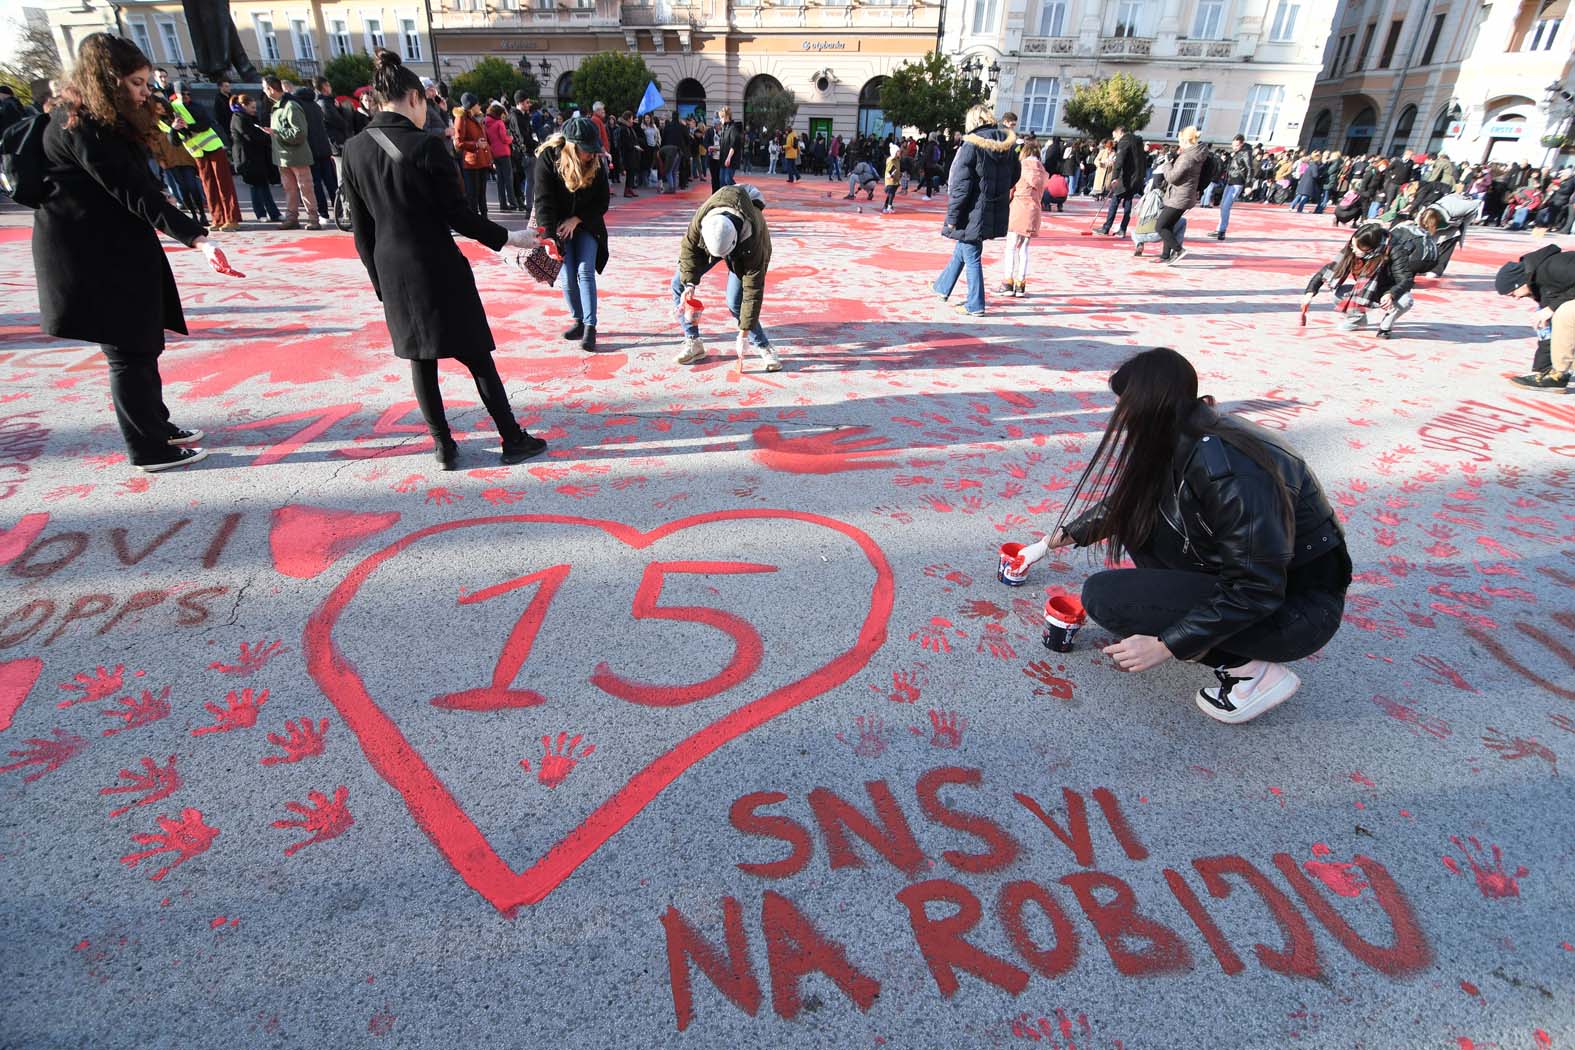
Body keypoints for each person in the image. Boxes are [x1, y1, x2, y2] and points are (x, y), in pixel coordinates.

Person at [1012, 348, 1349, 725]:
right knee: (1141, 525)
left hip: (1298, 611)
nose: (1119, 415)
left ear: (1147, 404)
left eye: (1123, 404)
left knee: (1105, 597)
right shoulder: (1189, 430)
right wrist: (1052, 541)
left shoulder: (1230, 473)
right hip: (1272, 585)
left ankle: (1251, 674)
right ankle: (1211, 634)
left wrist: (1166, 644)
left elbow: (1257, 588)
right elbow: (1132, 501)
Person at [34, 32, 238, 471]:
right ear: (108, 80)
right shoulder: (81, 125)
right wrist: (198, 239)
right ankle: (148, 447)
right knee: (128, 351)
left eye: (146, 82)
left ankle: (156, 425)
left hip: (114, 249)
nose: (146, 91)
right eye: (137, 83)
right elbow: (133, 192)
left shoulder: (98, 119)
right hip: (93, 257)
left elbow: (137, 186)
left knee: (142, 343)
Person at [341, 49, 546, 470]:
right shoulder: (426, 146)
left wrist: (380, 284)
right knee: (476, 354)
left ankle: (443, 447)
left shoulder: (354, 149)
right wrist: (511, 238)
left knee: (421, 360)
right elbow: (458, 216)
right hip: (436, 264)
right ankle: (512, 438)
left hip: (392, 270)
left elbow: (362, 233)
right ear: (415, 98)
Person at [672, 184, 782, 373]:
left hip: (743, 250)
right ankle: (693, 342)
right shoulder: (703, 219)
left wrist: (743, 334)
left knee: (736, 302)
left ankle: (764, 346)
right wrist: (689, 284)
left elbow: (753, 292)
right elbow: (688, 250)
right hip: (715, 240)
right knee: (679, 283)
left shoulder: (754, 238)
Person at [933, 104, 1019, 317]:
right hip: (992, 204)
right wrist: (997, 190)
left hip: (972, 208)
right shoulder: (1006, 144)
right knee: (963, 246)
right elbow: (1015, 174)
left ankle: (975, 303)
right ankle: (942, 287)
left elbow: (961, 186)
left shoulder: (971, 145)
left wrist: (952, 217)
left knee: (971, 252)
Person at [534, 115, 611, 352]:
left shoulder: (596, 164)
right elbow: (543, 201)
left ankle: (590, 327)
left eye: (594, 149)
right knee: (566, 275)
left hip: (588, 224)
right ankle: (578, 320)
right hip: (558, 226)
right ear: (572, 146)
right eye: (587, 149)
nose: (592, 154)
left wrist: (577, 219)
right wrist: (549, 238)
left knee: (585, 270)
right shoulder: (549, 158)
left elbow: (602, 202)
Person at [1300, 222, 1435, 339]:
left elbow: (1406, 279)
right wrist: (1309, 293)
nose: (1353, 249)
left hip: (1386, 290)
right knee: (1338, 294)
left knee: (1405, 301)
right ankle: (1357, 320)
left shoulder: (1394, 250)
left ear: (1370, 248)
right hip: (1366, 290)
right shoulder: (1352, 248)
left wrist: (1391, 294)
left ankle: (1385, 327)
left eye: (1356, 247)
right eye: (1352, 245)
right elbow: (1328, 270)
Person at [163, 81, 241, 231]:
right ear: (176, 94)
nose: (186, 96)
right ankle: (218, 219)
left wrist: (188, 126)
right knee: (208, 186)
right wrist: (174, 128)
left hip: (213, 147)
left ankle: (232, 219)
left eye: (188, 93)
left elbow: (206, 124)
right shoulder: (172, 111)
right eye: (183, 94)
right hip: (198, 153)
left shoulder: (196, 106)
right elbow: (174, 142)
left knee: (223, 183)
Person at [1494, 247, 1575, 391]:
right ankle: (1554, 375)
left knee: (1565, 313)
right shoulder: (1540, 287)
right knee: (1555, 316)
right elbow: (1547, 334)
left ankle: (1559, 374)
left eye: (1513, 293)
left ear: (1520, 283)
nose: (1517, 298)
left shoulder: (1554, 267)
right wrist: (1540, 370)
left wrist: (1552, 308)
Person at [263, 75, 319, 229]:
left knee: (305, 188)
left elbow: (299, 133)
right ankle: (292, 218)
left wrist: (277, 132)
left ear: (271, 89)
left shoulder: (291, 106)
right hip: (283, 157)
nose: (263, 91)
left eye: (264, 88)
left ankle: (313, 217)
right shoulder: (278, 106)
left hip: (296, 156)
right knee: (290, 189)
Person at [1001, 140, 1046, 297]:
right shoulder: (1042, 171)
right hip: (1034, 210)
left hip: (1018, 207)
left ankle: (1008, 282)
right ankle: (1021, 283)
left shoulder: (1020, 168)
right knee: (1024, 248)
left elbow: (1010, 190)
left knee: (1011, 247)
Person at [284, 78, 336, 216]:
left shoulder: (299, 107)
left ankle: (323, 213)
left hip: (310, 150)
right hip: (324, 148)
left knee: (316, 183)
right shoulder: (316, 106)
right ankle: (340, 209)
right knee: (330, 182)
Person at [1156, 126, 1206, 264]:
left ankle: (1179, 250)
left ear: (1185, 140)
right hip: (1185, 195)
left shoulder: (1187, 157)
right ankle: (1165, 255)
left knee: (1160, 226)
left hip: (1179, 196)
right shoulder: (1196, 154)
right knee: (1169, 225)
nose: (1179, 143)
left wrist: (1167, 164)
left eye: (1180, 140)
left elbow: (1172, 177)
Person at [229, 93, 281, 221]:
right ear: (243, 105)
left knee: (261, 185)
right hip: (247, 158)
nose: (254, 110)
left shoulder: (247, 117)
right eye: (252, 107)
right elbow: (250, 137)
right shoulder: (239, 118)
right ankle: (263, 214)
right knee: (256, 186)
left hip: (254, 157)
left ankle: (272, 213)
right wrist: (268, 136)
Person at [1097, 125, 1145, 237]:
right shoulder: (1138, 142)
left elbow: (1119, 161)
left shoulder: (1124, 141)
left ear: (1119, 132)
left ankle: (1106, 227)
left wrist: (1114, 177)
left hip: (1126, 177)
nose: (1115, 139)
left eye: (1115, 136)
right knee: (1128, 201)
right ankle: (1123, 229)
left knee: (1115, 200)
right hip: (1136, 177)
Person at [452, 93, 491, 216]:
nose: (479, 106)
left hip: (483, 160)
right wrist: (476, 145)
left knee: (482, 194)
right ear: (471, 106)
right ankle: (475, 221)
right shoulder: (461, 118)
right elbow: (458, 143)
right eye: (477, 104)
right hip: (471, 162)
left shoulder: (478, 117)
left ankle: (485, 220)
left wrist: (489, 158)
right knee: (473, 195)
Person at [1212, 135, 1250, 239]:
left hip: (1238, 182)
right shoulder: (1236, 153)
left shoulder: (1246, 153)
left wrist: (1248, 185)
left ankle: (1222, 231)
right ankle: (1219, 229)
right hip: (1230, 181)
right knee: (1222, 206)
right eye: (1233, 145)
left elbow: (1249, 169)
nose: (1234, 147)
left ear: (1242, 144)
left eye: (1237, 145)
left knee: (1226, 206)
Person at [718, 107, 742, 187]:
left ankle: (740, 191)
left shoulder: (733, 128)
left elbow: (733, 145)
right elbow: (723, 145)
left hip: (731, 160)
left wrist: (728, 158)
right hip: (723, 159)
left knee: (727, 179)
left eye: (721, 117)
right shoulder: (724, 129)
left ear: (727, 117)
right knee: (722, 181)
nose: (720, 120)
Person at [881, 142, 901, 213]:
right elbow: (889, 170)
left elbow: (897, 169)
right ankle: (889, 206)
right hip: (890, 180)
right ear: (894, 152)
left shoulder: (897, 159)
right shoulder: (891, 160)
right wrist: (891, 176)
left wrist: (899, 175)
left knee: (891, 194)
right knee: (891, 193)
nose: (899, 152)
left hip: (895, 179)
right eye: (898, 151)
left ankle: (886, 206)